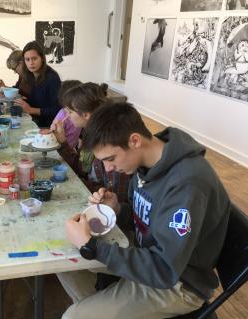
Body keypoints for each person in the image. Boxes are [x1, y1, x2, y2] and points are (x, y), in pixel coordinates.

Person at [58, 102, 230, 319]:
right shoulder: (146, 163)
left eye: (110, 159)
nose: (109, 168)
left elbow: (165, 269)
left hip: (177, 283)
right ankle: (99, 308)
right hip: (146, 257)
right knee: (64, 263)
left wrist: (92, 247)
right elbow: (147, 219)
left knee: (72, 317)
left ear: (135, 140)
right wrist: (118, 209)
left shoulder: (188, 183)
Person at [52, 82, 130, 199]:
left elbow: (112, 196)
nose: (67, 116)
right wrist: (62, 141)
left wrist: (77, 182)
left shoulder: (110, 141)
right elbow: (81, 168)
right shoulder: (89, 132)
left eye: (70, 112)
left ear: (86, 115)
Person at [14, 41, 61, 128]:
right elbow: (34, 100)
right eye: (27, 59)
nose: (31, 63)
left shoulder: (52, 78)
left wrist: (31, 110)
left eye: (34, 58)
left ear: (42, 58)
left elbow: (57, 110)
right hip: (35, 119)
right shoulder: (29, 75)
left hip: (49, 125)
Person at [50, 79, 82, 149]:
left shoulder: (81, 114)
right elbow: (54, 135)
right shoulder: (62, 116)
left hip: (73, 148)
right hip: (62, 149)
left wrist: (80, 139)